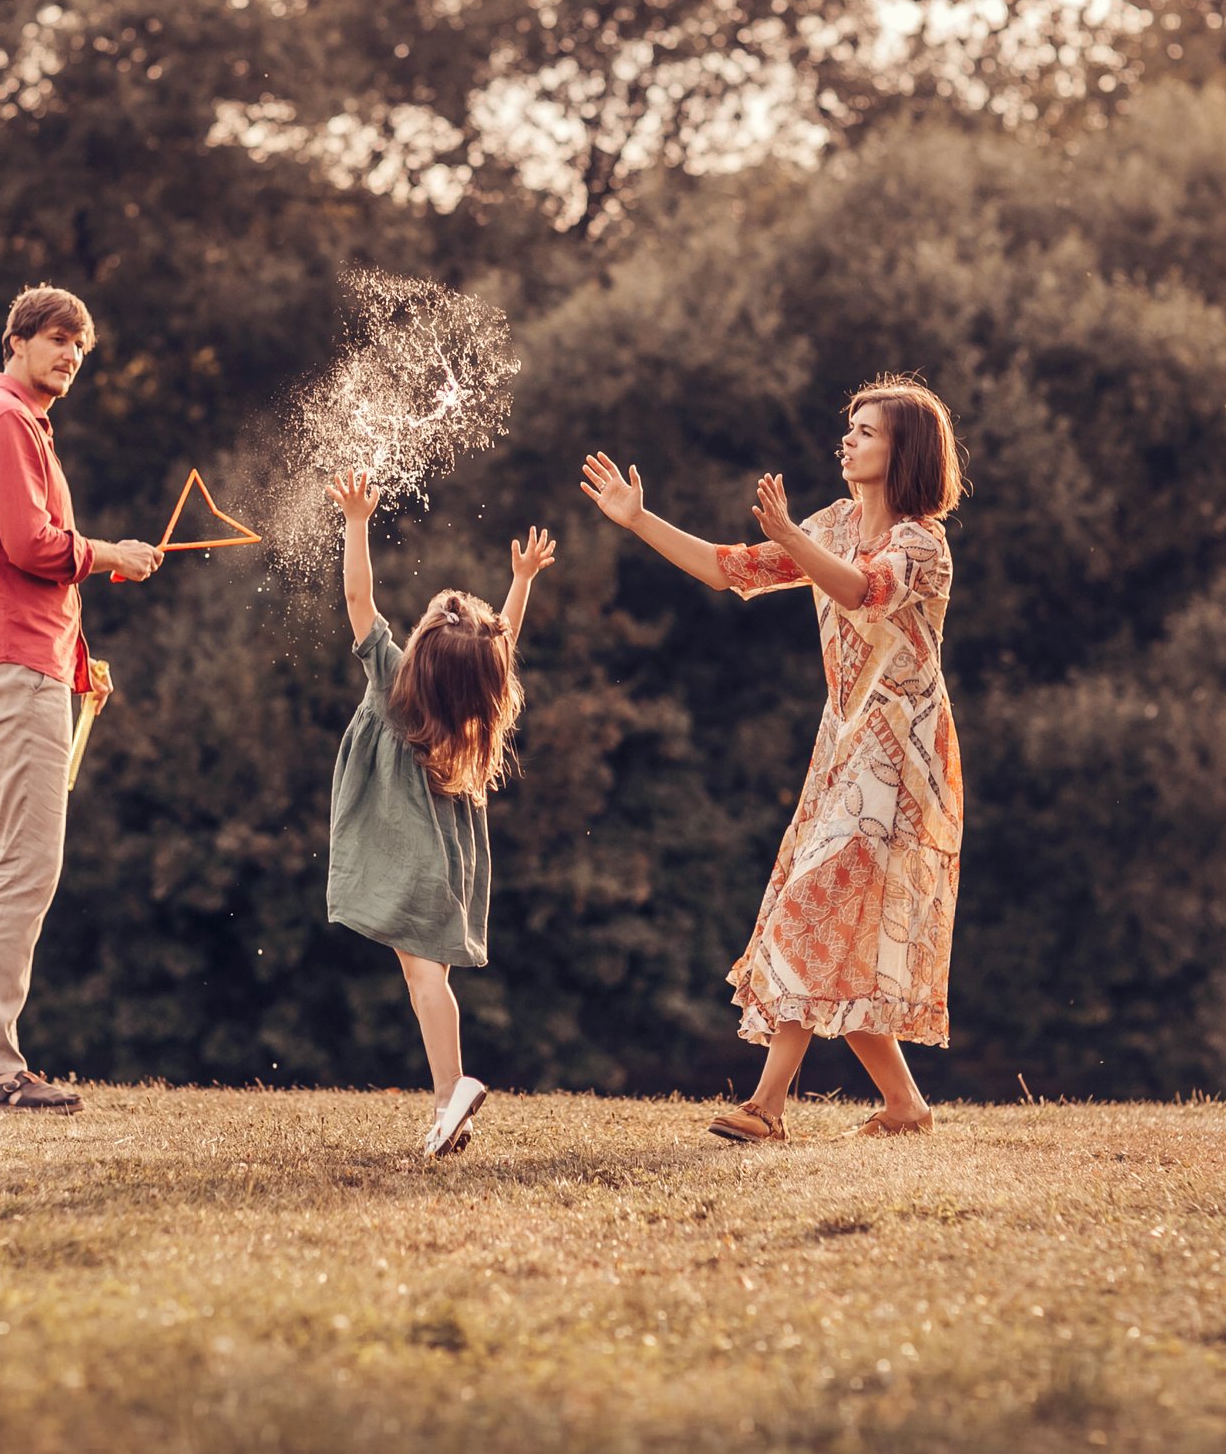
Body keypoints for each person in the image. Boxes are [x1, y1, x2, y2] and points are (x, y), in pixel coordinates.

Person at [580, 376, 967, 1143]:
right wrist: (637, 519)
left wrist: (796, 539)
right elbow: (730, 568)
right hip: (846, 747)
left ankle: (766, 1106)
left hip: (905, 758)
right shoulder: (832, 522)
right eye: (849, 426)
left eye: (867, 429)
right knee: (835, 928)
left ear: (905, 449)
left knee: (808, 904)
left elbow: (864, 589)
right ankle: (906, 1108)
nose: (848, 438)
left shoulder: (921, 543)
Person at [0, 286, 164, 1113]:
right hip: (12, 670)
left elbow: (21, 569)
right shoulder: (6, 422)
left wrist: (78, 661)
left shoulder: (12, 425)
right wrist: (115, 554)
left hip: (8, 665)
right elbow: (31, 546)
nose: (69, 356)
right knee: (28, 864)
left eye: (80, 348)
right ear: (17, 341)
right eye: (57, 339)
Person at [324, 468, 555, 1157]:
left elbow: (358, 594)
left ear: (421, 646)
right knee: (428, 980)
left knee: (425, 979)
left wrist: (358, 521)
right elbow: (499, 640)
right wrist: (523, 581)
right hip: (444, 860)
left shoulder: (393, 679)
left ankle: (452, 1091)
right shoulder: (467, 709)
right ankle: (448, 1108)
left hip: (408, 857)